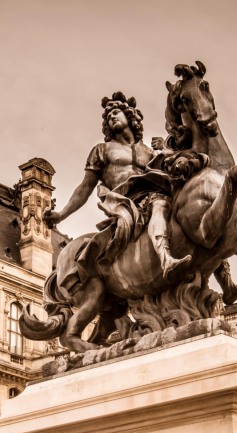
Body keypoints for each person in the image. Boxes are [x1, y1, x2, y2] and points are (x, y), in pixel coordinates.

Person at [44, 92, 191, 291]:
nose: (111, 116)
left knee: (189, 211)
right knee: (160, 203)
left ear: (130, 116)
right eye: (108, 116)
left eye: (116, 112)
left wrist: (167, 152)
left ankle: (225, 281)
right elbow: (85, 187)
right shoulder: (102, 150)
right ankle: (166, 259)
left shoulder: (148, 152)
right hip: (125, 201)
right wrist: (61, 215)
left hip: (151, 193)